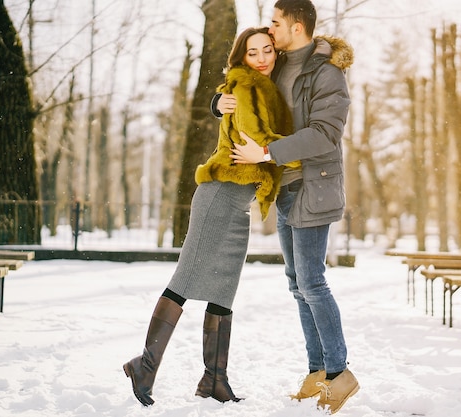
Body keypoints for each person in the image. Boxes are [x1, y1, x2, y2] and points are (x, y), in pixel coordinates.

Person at [123, 27, 295, 407]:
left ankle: (213, 379)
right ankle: (145, 365)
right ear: (242, 58)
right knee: (186, 278)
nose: (263, 58)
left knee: (223, 290)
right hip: (221, 194)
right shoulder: (249, 88)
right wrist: (298, 152)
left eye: (268, 49)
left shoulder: (262, 86)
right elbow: (256, 138)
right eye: (253, 52)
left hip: (238, 201)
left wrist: (218, 103)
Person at [215, 0, 359, 414]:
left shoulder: (326, 73)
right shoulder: (277, 64)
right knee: (297, 283)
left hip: (314, 187)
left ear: (296, 27)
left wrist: (266, 151)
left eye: (276, 23)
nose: (269, 29)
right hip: (285, 186)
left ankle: (339, 374)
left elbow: (324, 133)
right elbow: (244, 83)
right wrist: (217, 103)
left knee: (313, 282)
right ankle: (317, 371)